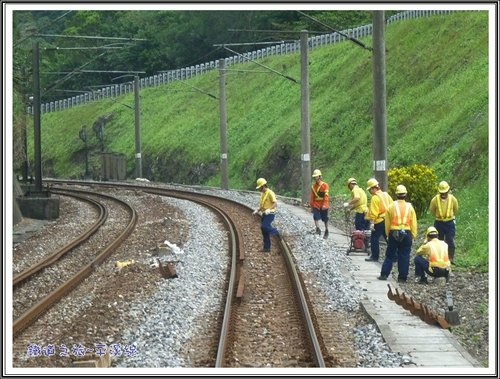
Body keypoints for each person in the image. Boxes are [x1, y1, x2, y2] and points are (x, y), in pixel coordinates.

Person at [378, 184, 417, 283]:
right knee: (404, 255)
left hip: (393, 232)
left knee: (390, 254)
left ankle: (384, 274)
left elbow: (387, 222)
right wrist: (413, 235)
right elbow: (413, 222)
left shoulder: (391, 206)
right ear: (405, 195)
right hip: (406, 233)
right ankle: (402, 278)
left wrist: (387, 234)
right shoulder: (410, 207)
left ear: (396, 195)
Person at [429, 181, 459, 263]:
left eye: (445, 193)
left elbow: (456, 209)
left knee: (450, 240)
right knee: (439, 241)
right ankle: (441, 257)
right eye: (441, 193)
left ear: (448, 191)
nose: (443, 195)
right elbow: (432, 210)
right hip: (439, 223)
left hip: (450, 222)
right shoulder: (434, 200)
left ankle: (451, 258)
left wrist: (450, 216)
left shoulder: (453, 199)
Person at [365, 178, 393, 262]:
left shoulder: (375, 198)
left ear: (373, 188)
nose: (370, 192)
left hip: (379, 220)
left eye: (370, 190)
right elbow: (392, 206)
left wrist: (372, 222)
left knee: (374, 238)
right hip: (387, 220)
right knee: (388, 238)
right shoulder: (386, 195)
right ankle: (394, 256)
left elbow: (374, 212)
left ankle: (374, 256)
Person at [253, 177, 280, 252]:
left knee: (264, 226)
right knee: (264, 230)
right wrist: (257, 210)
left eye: (259, 187)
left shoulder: (270, 193)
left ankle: (276, 232)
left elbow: (275, 203)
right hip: (264, 213)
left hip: (270, 213)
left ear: (263, 186)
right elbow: (262, 205)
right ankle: (267, 248)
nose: (259, 189)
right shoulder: (263, 194)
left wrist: (269, 209)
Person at [310, 169, 330, 239]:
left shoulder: (325, 185)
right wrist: (312, 206)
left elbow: (326, 196)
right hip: (316, 204)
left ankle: (326, 230)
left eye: (316, 176)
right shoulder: (313, 187)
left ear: (319, 176)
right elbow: (312, 197)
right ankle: (318, 229)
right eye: (314, 177)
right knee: (315, 216)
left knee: (325, 219)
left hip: (324, 204)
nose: (315, 178)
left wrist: (325, 204)